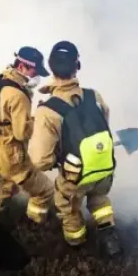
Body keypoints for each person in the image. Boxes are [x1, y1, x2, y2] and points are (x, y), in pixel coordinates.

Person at [29, 41, 121, 256]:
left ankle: (77, 244)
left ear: (50, 67)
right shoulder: (94, 96)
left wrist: (57, 160)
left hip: (74, 175)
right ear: (76, 66)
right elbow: (104, 124)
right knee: (100, 200)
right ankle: (109, 233)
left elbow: (40, 160)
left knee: (68, 207)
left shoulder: (48, 109)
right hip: (104, 167)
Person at [0, 47, 55, 223]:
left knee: (7, 184)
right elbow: (21, 134)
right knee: (45, 190)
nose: (36, 75)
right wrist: (39, 118)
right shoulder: (18, 95)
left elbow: (4, 119)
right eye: (34, 70)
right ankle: (35, 225)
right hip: (11, 154)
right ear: (22, 66)